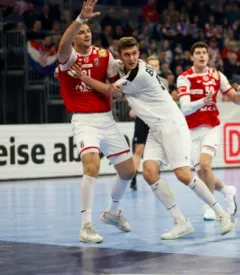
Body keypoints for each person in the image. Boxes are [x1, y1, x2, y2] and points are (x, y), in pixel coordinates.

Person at [69, 37, 237, 239]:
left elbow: (111, 91)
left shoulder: (139, 73)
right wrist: (62, 71)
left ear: (139, 52)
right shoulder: (127, 66)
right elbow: (108, 62)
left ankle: (222, 215)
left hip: (172, 125)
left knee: (183, 174)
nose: (131, 58)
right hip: (156, 128)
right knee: (149, 172)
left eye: (134, 53)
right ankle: (180, 221)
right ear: (121, 55)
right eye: (127, 55)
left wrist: (84, 78)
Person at [56, 0, 135, 243]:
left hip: (106, 119)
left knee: (129, 171)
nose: (86, 34)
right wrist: (79, 18)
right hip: (83, 121)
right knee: (92, 167)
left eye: (88, 30)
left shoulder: (104, 55)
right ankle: (86, 226)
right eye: (81, 31)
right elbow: (61, 47)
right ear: (73, 37)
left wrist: (123, 74)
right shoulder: (68, 58)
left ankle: (112, 211)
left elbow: (114, 89)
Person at [177, 42, 240, 220]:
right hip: (191, 131)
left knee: (205, 166)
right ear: (191, 57)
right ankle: (227, 190)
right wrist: (202, 102)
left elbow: (236, 99)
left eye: (204, 53)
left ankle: (210, 206)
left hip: (211, 127)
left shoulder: (217, 75)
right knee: (202, 173)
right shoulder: (184, 78)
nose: (202, 56)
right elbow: (185, 108)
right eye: (197, 53)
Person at [128, 56, 163, 191]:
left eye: (156, 65)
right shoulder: (139, 82)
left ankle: (157, 176)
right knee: (139, 150)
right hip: (143, 119)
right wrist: (133, 109)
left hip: (157, 120)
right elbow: (132, 98)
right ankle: (133, 178)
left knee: (157, 150)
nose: (154, 67)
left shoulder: (163, 82)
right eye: (151, 65)